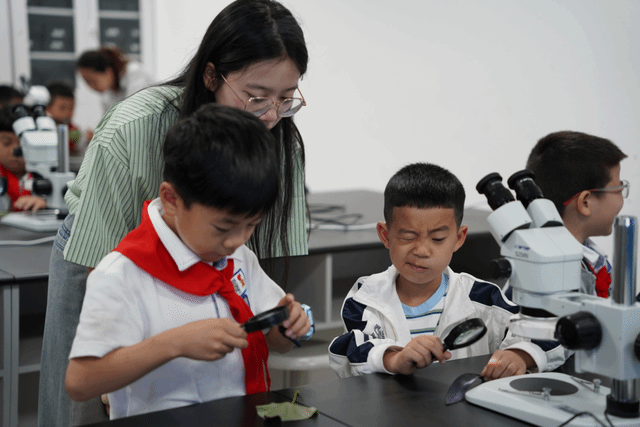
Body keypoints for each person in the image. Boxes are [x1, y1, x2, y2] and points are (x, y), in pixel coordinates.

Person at [39, 1, 309, 425]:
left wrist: (283, 321)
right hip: (101, 247)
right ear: (211, 76)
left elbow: (261, 272)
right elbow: (101, 280)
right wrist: (144, 358)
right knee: (81, 411)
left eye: (286, 99)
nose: (271, 115)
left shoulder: (277, 152)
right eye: (257, 97)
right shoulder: (135, 126)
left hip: (205, 254)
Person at [64, 103, 311, 419]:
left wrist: (288, 328)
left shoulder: (237, 257)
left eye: (251, 225)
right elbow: (80, 382)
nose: (237, 240)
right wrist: (175, 343)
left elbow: (274, 340)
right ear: (171, 200)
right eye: (223, 227)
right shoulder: (121, 274)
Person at [328, 163, 567, 379]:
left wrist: (519, 355)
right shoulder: (367, 297)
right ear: (385, 234)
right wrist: (394, 358)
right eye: (408, 237)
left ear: (459, 238)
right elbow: (348, 351)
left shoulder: (483, 298)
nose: (422, 251)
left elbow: (551, 335)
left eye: (438, 239)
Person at [525, 131, 628, 298]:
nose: (622, 196)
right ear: (585, 202)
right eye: (619, 187)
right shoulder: (557, 277)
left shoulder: (591, 257)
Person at [76, 45, 153, 113]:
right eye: (86, 82)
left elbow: (133, 111)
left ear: (108, 72)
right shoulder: (107, 96)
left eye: (92, 81)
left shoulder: (135, 72)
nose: (90, 87)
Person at [0, 106, 47, 211]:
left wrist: (46, 204)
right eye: (6, 143)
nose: (14, 151)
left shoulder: (48, 176)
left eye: (23, 144)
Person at [45, 81, 87, 154]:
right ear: (47, 108)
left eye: (71, 108)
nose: (67, 113)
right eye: (62, 108)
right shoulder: (41, 131)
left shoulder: (73, 130)